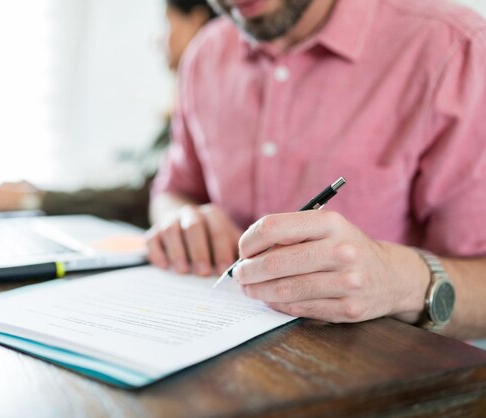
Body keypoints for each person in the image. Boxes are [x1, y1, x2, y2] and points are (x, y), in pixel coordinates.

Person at [146, 0, 486, 340]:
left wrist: (398, 282)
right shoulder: (206, 52)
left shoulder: (455, 49)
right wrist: (180, 216)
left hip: (381, 379)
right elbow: (174, 188)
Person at [0, 0, 216, 229]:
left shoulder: (210, 108)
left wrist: (35, 198)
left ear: (196, 21)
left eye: (167, 23)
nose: (157, 39)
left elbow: (139, 197)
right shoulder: (180, 110)